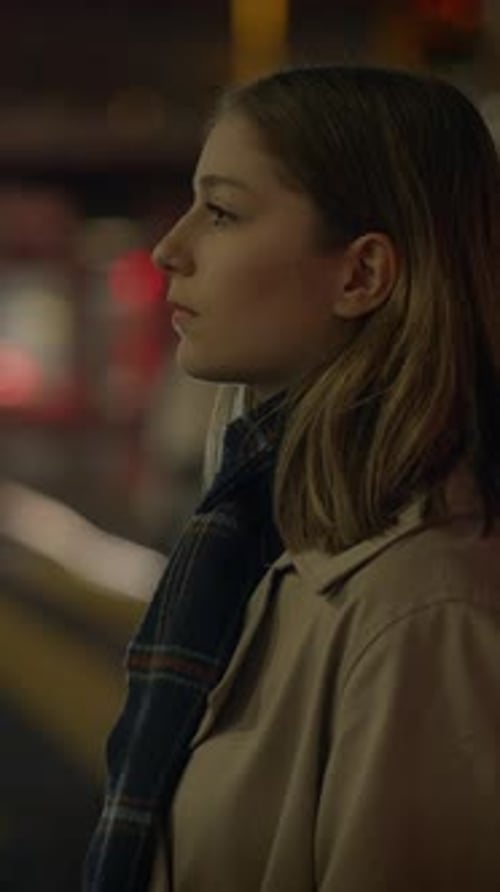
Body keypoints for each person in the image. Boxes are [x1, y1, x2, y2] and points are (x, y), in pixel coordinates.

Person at [84, 65, 500, 892]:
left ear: (362, 276)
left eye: (225, 211)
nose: (172, 248)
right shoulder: (275, 545)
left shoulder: (424, 611)